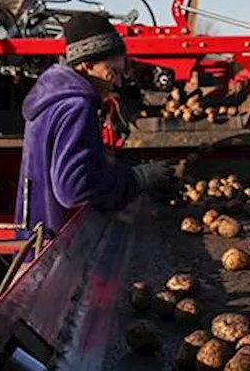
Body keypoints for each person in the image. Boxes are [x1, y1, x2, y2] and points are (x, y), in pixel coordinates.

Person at [14, 13, 171, 237]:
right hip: (57, 241)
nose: (117, 82)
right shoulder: (76, 107)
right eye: (112, 72)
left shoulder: (53, 97)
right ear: (86, 65)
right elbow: (74, 188)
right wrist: (137, 179)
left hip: (37, 230)